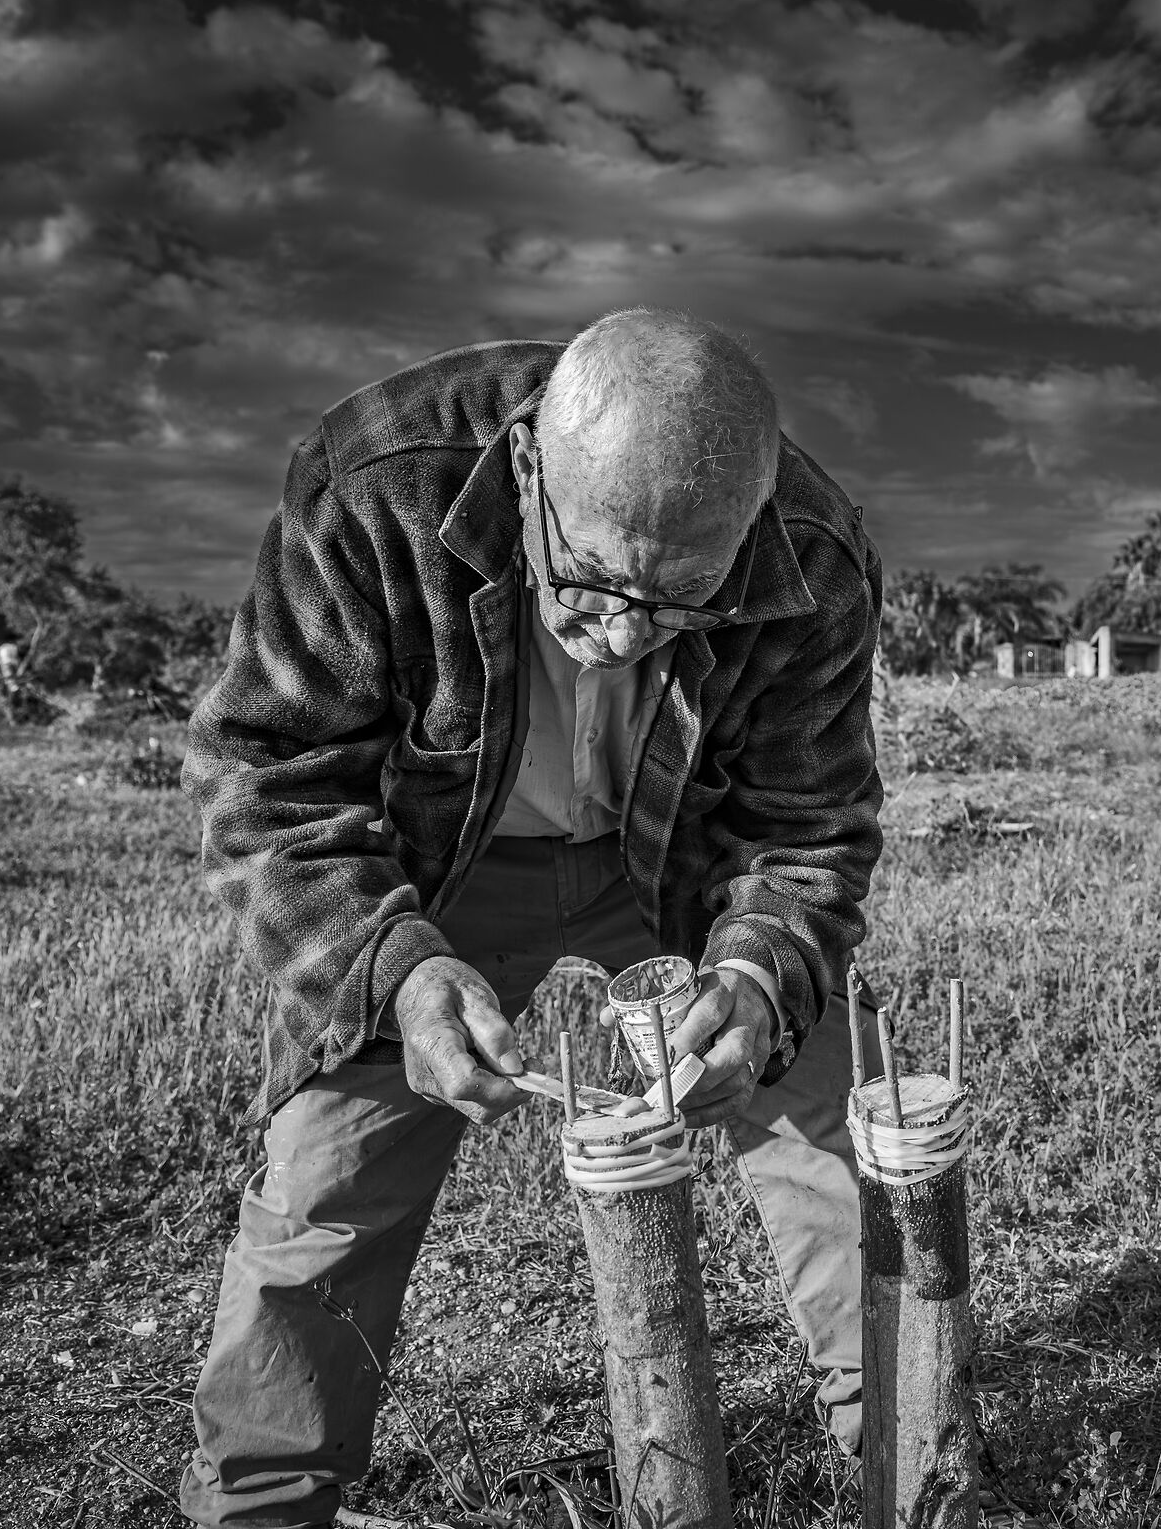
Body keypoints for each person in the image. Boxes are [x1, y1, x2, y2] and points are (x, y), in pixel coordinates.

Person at [177, 307, 884, 1528]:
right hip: (433, 868)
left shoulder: (812, 556)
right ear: (529, 472)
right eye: (597, 582)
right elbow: (266, 777)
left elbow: (806, 826)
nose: (620, 637)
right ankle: (258, 1506)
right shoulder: (375, 491)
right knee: (329, 1181)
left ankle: (914, 1466)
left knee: (840, 1142)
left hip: (676, 865)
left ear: (748, 534)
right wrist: (392, 970)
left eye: (678, 607)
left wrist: (761, 980)